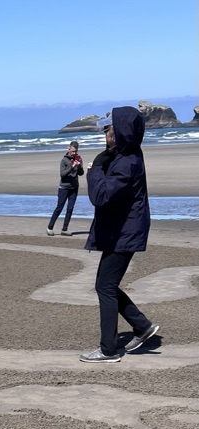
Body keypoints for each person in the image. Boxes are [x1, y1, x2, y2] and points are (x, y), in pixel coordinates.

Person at [79, 107, 160, 363]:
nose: (104, 131)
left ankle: (109, 349)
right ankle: (142, 326)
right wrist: (103, 161)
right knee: (107, 285)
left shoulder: (127, 162)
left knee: (105, 287)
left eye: (108, 127)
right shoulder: (126, 153)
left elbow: (100, 197)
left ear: (119, 131)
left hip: (124, 232)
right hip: (122, 230)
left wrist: (94, 171)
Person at [47, 141, 84, 236]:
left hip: (74, 187)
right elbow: (62, 174)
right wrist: (71, 167)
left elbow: (81, 173)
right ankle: (50, 227)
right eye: (72, 151)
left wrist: (78, 165)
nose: (74, 153)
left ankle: (64, 229)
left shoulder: (79, 158)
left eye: (75, 151)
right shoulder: (64, 160)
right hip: (64, 187)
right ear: (69, 149)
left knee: (70, 209)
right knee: (59, 207)